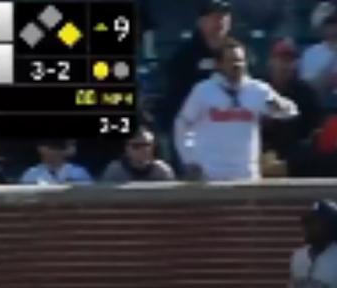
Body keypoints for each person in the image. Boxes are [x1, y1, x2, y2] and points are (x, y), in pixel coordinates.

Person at [175, 39, 300, 182]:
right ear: (219, 64)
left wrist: (281, 107)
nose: (237, 65)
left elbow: (290, 112)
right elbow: (182, 124)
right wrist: (189, 159)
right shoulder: (203, 91)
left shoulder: (258, 90)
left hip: (246, 175)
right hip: (210, 175)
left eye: (240, 60)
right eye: (231, 61)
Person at [159, 0, 234, 135]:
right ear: (201, 21)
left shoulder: (236, 52)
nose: (220, 22)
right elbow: (175, 99)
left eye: (224, 17)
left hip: (228, 128)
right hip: (192, 129)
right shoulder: (184, 57)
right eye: (214, 17)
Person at [261, 38, 324, 169]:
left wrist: (288, 162)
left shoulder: (306, 93)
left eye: (290, 61)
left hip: (293, 160)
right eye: (281, 59)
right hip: (259, 155)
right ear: (271, 61)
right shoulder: (257, 88)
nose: (285, 65)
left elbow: (314, 132)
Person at [100, 127, 176, 182]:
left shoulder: (162, 171)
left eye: (147, 145)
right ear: (127, 149)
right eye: (136, 146)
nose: (143, 150)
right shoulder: (115, 171)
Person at [19, 139, 93, 184]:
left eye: (58, 147)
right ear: (40, 149)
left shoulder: (79, 173)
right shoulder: (31, 174)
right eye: (50, 147)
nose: (54, 151)